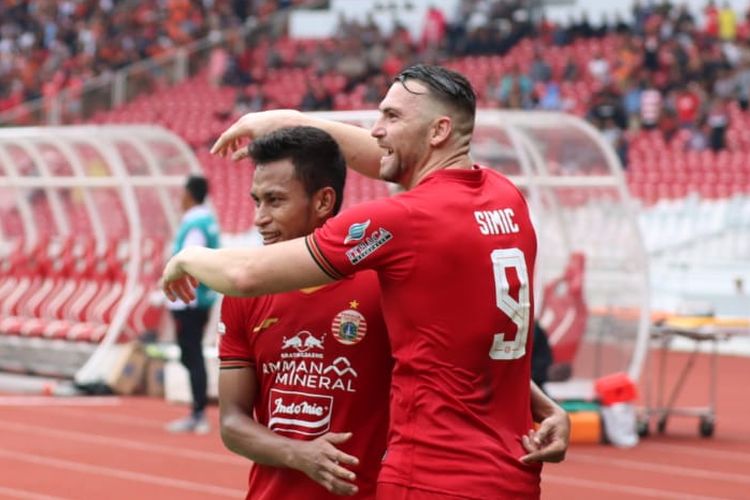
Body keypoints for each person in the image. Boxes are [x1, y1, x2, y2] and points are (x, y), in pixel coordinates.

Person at [163, 64, 570, 498]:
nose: (376, 130)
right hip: (511, 475)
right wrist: (546, 405)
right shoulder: (506, 197)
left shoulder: (404, 221)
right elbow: (465, 342)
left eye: (392, 117)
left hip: (432, 475)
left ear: (438, 131)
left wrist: (186, 258)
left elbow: (244, 275)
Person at [218, 126, 392, 498]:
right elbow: (232, 422)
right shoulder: (244, 292)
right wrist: (299, 454)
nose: (259, 218)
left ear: (323, 202)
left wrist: (541, 410)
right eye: (256, 201)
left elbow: (460, 362)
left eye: (275, 201)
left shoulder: (384, 286)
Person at [165, 175, 220, 434]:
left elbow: (190, 259)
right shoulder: (207, 220)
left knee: (192, 354)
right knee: (191, 354)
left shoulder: (195, 222)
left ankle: (198, 413)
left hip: (190, 300)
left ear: (189, 194)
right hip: (199, 298)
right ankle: (197, 410)